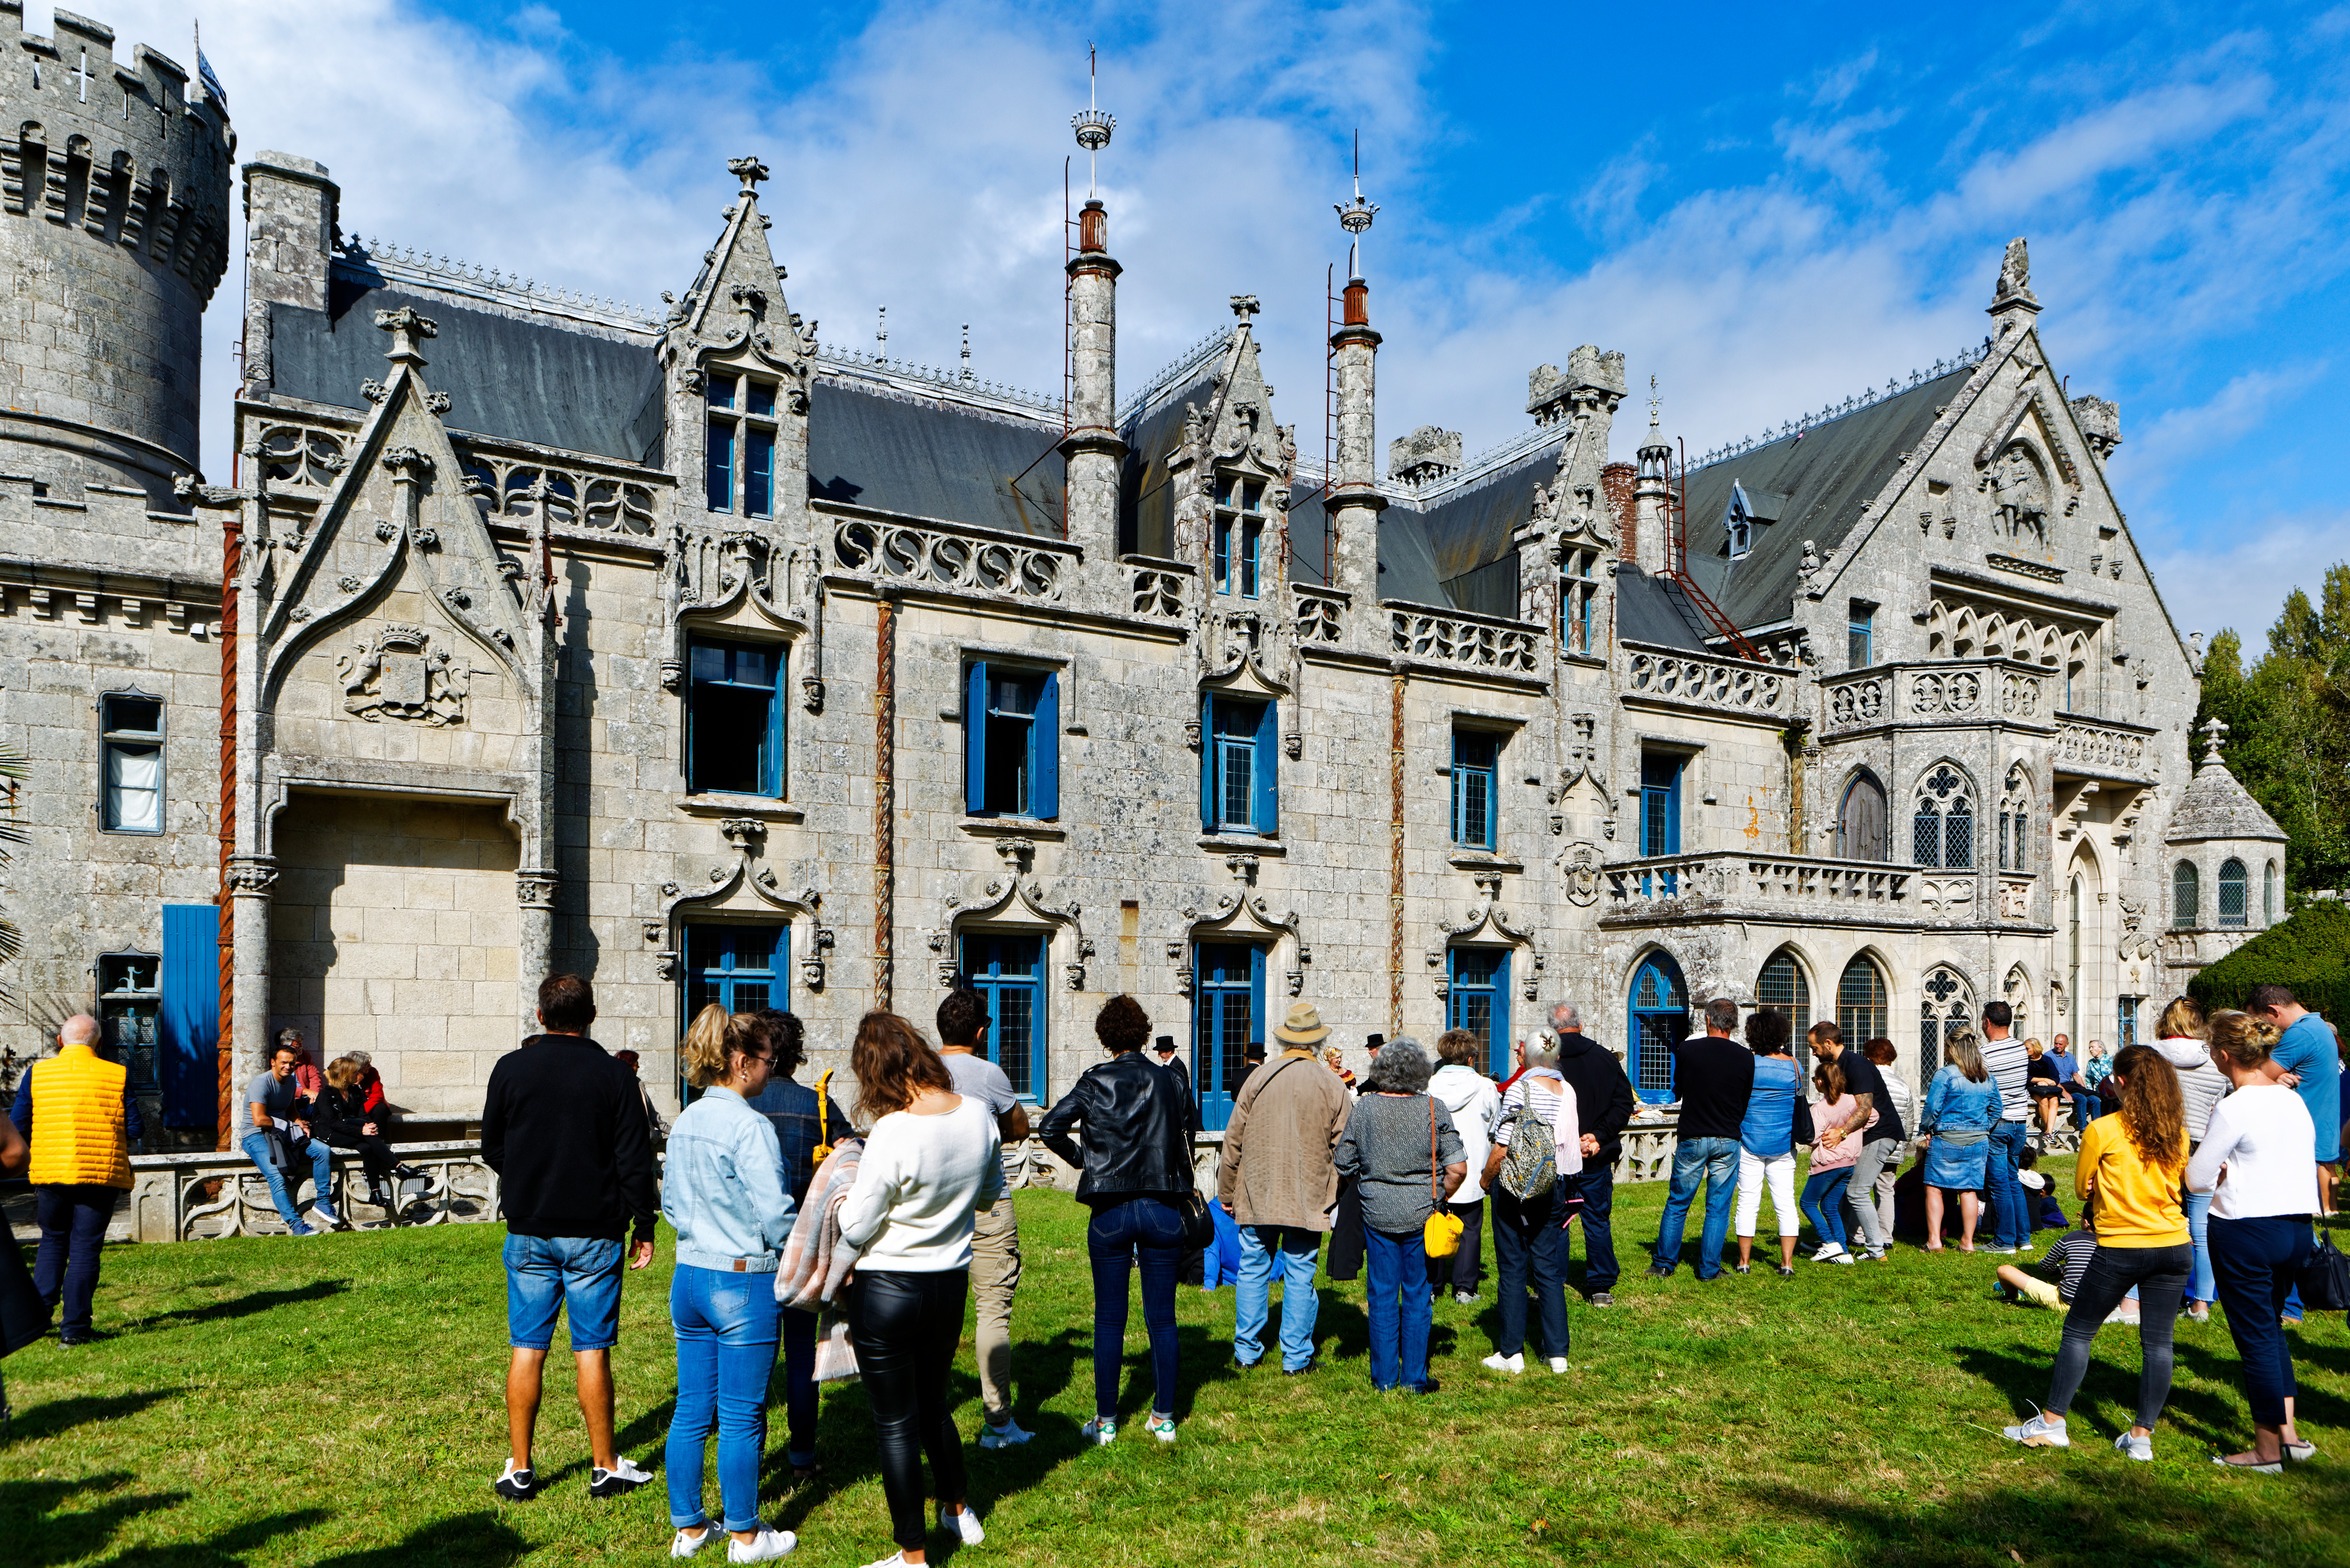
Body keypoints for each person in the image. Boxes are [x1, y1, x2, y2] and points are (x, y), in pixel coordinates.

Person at [480, 974, 658, 1502]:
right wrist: (643, 1223)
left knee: (527, 1347)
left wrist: (525, 1180)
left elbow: (492, 1144)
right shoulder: (614, 1076)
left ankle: (519, 1466)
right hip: (593, 1230)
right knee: (592, 1350)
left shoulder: (511, 1068)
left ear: (540, 1016)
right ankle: (604, 1465)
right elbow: (633, 1158)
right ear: (592, 1014)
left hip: (530, 1227)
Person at [835, 1011, 998, 1565]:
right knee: (933, 1404)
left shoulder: (893, 1130)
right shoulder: (978, 1115)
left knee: (896, 1423)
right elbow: (987, 1194)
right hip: (948, 1282)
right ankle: (956, 1508)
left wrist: (843, 1194)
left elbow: (857, 1226)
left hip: (888, 1285)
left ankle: (911, 1554)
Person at [2002, 1043, 2191, 1462]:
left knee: (2079, 1329)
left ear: (2121, 1083)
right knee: (2158, 1343)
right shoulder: (2176, 1130)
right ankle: (2141, 1435)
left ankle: (2052, 1423)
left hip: (2122, 1243)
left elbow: (2081, 1185)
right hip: (2174, 1243)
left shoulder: (2103, 1130)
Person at [662, 1009, 799, 1563]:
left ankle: (690, 1528)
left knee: (692, 1408)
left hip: (689, 1274)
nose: (771, 1070)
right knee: (742, 1413)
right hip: (742, 1280)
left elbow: (669, 1202)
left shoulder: (687, 1119)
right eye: (767, 1061)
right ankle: (745, 1534)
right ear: (741, 1063)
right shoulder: (750, 1126)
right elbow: (775, 1214)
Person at [1039, 996, 1196, 1445]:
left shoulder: (1096, 1081)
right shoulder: (1170, 1081)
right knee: (1162, 1318)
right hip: (1161, 1204)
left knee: (1109, 1319)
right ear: (1144, 1034)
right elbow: (1187, 1128)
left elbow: (1050, 1126)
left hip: (1110, 1206)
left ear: (1106, 1037)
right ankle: (1163, 1417)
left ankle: (1106, 1421)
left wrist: (1085, 1160)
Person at [2191, 1009, 2320, 1472]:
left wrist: (2220, 1170)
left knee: (2256, 1339)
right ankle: (2289, 1433)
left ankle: (2266, 1449)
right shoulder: (2292, 1101)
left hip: (2246, 1227)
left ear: (2224, 1055)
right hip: (2295, 1227)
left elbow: (2197, 1176)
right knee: (2271, 1328)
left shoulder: (2234, 1106)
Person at [741, 1008, 851, 1478]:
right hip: (805, 1248)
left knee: (755, 1359)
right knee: (803, 1355)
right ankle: (802, 1455)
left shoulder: (741, 1104)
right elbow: (851, 1157)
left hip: (750, 1248)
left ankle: (752, 1454)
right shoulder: (818, 1106)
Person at [1217, 1001, 1349, 1375]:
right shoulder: (1331, 1083)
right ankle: (1295, 1357)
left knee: (1253, 1268)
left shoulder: (1257, 1078)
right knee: (1300, 1272)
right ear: (1317, 1042)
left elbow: (1233, 1141)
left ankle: (1246, 1351)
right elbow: (1346, 1148)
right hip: (1308, 1191)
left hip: (1258, 1188)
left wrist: (1226, 1193)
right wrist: (1335, 1193)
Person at [932, 988, 1034, 1450]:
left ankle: (927, 1411)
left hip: (932, 1205)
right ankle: (997, 1421)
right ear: (980, 1031)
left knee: (931, 1313)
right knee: (993, 1308)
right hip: (986, 1202)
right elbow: (1019, 1127)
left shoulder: (924, 1071)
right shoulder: (989, 1074)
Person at [1335, 1037, 1465, 1393]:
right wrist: (1438, 1194)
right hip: (1422, 1213)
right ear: (1420, 1072)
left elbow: (1343, 1161)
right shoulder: (1434, 1108)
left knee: (1380, 1295)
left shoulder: (1364, 1109)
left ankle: (1384, 1378)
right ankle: (1414, 1378)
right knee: (1417, 1294)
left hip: (1376, 1210)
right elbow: (1458, 1168)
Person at [8, 1015, 141, 1345]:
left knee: (52, 1239)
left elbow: (18, 1124)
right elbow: (135, 1128)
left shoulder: (37, 1074)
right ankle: (75, 1329)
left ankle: (38, 1318)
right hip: (101, 1174)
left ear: (60, 1040)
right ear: (98, 1043)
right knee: (84, 1248)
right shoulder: (117, 1074)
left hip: (51, 1171)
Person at [1481, 1033, 1579, 1373]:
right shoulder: (1567, 1091)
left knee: (1512, 1265)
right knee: (1548, 1269)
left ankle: (1511, 1352)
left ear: (1528, 1056)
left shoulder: (1519, 1091)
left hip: (1514, 1186)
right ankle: (1557, 1354)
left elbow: (1502, 1146)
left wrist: (1485, 1179)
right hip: (1551, 1184)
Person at [1647, 999, 1754, 1282]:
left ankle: (1663, 1263)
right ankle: (1709, 1268)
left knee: (1679, 1201)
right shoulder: (1745, 1057)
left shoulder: (1688, 1050)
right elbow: (1744, 1099)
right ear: (1733, 1024)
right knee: (1718, 1206)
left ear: (1708, 1020)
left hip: (1693, 1132)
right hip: (1727, 1135)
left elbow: (1678, 1089)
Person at [1549, 1001, 1634, 1305]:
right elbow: (1624, 1103)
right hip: (1594, 1153)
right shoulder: (1604, 1058)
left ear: (1552, 1029)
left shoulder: (1547, 1063)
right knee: (1596, 1218)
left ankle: (1551, 1280)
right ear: (1580, 1024)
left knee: (1556, 1219)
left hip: (1557, 1154)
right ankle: (1600, 1285)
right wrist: (1597, 1136)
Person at [2152, 998, 2226, 1323]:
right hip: (2201, 1146)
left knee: (2154, 1220)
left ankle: (2146, 1293)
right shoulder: (2214, 1062)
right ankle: (2201, 1303)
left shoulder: (2152, 1058)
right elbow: (2218, 1108)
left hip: (2161, 1145)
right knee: (2199, 1227)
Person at [1813, 1022, 1903, 1262]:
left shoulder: (1856, 1065)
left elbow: (1865, 1109)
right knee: (1840, 1189)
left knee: (1857, 1191)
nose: (1813, 1052)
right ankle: (1835, 1241)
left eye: (1815, 1047)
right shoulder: (1839, 1065)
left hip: (1880, 1133)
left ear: (1828, 1044)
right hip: (1864, 1135)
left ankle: (1876, 1251)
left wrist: (1841, 1133)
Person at [2250, 984, 2341, 1217]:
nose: (2262, 1029)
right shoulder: (2317, 1026)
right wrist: (2278, 1074)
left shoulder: (2301, 1034)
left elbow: (2253, 1076)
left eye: (2261, 1021)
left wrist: (2272, 1073)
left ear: (2274, 1012)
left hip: (2302, 1125)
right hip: (2319, 1118)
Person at [1427, 1028, 1500, 1305]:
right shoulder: (1485, 1087)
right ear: (1471, 1058)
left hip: (1436, 1168)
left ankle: (1432, 1285)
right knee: (1469, 1228)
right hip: (1471, 1169)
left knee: (1433, 1224)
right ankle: (1465, 1287)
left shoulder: (1429, 1086)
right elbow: (1495, 1123)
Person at [240, 1038, 341, 1235]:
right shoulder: (261, 1082)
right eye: (283, 1062)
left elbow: (290, 1109)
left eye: (291, 1063)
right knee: (276, 1176)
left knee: (322, 1150)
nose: (288, 1066)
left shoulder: (289, 1082)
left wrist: (299, 1123)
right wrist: (288, 1125)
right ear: (273, 1062)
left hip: (283, 1132)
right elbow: (259, 1119)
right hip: (256, 1135)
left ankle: (323, 1202)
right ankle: (296, 1225)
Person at [1733, 1010, 1804, 1278]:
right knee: (1785, 1201)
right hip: (1784, 1141)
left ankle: (1744, 1261)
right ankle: (1787, 1263)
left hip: (1749, 1138)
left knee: (1747, 1200)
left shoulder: (1748, 1065)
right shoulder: (1796, 1066)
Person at [1918, 1030, 2000, 1251]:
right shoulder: (1986, 1076)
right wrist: (1982, 1127)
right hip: (1978, 1140)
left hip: (1946, 1137)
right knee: (1969, 1189)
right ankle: (1968, 1241)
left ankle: (1934, 1240)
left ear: (1952, 1049)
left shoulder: (1945, 1075)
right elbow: (1997, 1109)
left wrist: (1925, 1128)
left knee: (1934, 1188)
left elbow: (1932, 1106)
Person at [310, 1053, 418, 1213]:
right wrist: (362, 1129)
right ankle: (397, 1166)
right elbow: (332, 1123)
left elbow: (361, 1114)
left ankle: (375, 1192)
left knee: (367, 1148)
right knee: (368, 1136)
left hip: (349, 1129)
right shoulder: (326, 1094)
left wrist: (369, 1124)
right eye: (353, 1072)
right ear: (344, 1075)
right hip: (329, 1133)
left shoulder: (354, 1091)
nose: (357, 1075)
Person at [1977, 1002, 2034, 1255]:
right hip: (2020, 1121)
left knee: (1999, 1183)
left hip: (1998, 1123)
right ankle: (2023, 1237)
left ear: (1987, 1022)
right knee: (2012, 1179)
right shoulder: (2022, 1049)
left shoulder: (1985, 1054)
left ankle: (2004, 1240)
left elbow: (1982, 1090)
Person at [1803, 1056, 1869, 1264]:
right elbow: (1871, 1116)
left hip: (1828, 1162)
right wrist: (1848, 1132)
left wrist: (1828, 1135)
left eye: (1814, 1079)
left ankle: (1829, 1242)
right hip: (1848, 1162)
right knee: (1830, 1205)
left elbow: (1812, 1137)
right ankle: (1843, 1252)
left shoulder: (1820, 1109)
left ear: (1821, 1082)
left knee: (1807, 1202)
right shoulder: (1853, 1101)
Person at [1861, 1039, 1911, 1239]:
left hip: (1868, 1142)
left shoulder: (1866, 1079)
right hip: (1893, 1145)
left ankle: (1859, 1233)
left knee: (1860, 1189)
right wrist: (1902, 1146)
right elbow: (1908, 1119)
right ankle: (1885, 1235)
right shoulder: (1903, 1085)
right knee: (1886, 1189)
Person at [612, 1048, 669, 1145]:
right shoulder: (613, 1086)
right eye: (635, 1064)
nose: (638, 1067)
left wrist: (672, 1131)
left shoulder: (638, 1084)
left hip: (643, 1140)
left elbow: (652, 1115)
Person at [2049, 1033, 2092, 1137]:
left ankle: (2098, 1126)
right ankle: (2083, 1128)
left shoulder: (2070, 1056)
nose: (2057, 1046)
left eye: (2060, 1044)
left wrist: (2083, 1087)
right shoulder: (2049, 1056)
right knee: (2081, 1098)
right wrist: (2065, 1093)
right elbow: (2051, 1079)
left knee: (2094, 1099)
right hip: (2059, 1086)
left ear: (2066, 1044)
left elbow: (2076, 1075)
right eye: (2056, 1043)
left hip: (2071, 1085)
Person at [2025, 1038, 2064, 1143]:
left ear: (2035, 1047)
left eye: (2027, 1048)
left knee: (2054, 1100)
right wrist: (2042, 1080)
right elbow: (2026, 1077)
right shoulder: (2025, 1061)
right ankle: (2049, 1131)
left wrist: (2048, 1082)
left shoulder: (2047, 1060)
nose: (2025, 1050)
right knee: (2043, 1101)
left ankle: (2048, 1131)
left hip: (2048, 1088)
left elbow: (2055, 1078)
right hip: (2033, 1088)